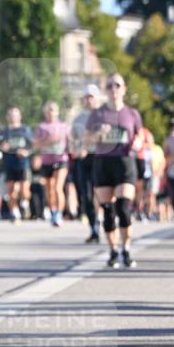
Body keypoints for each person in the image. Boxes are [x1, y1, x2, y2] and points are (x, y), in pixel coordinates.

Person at [85, 74, 143, 268]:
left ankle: (126, 249)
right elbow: (86, 141)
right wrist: (98, 134)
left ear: (124, 89)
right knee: (108, 211)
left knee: (123, 208)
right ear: (105, 90)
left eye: (117, 85)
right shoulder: (97, 114)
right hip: (103, 162)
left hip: (125, 161)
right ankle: (112, 250)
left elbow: (141, 136)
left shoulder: (132, 113)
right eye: (109, 86)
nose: (113, 89)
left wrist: (137, 143)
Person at [69, 85, 101, 242]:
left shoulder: (104, 115)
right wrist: (75, 149)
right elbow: (73, 140)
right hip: (83, 160)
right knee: (86, 196)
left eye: (92, 97)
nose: (89, 100)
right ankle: (94, 229)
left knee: (101, 194)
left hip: (100, 158)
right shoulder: (78, 119)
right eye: (86, 97)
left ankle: (104, 222)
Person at [33, 101, 70, 227]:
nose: (51, 112)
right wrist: (48, 140)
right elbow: (35, 144)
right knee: (49, 190)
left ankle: (59, 213)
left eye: (53, 110)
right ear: (45, 112)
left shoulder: (64, 126)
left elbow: (70, 141)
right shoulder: (41, 127)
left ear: (57, 112)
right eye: (49, 110)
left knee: (58, 187)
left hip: (61, 159)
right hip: (47, 160)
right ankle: (53, 211)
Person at [0, 106, 33, 223]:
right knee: (10, 191)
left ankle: (25, 203)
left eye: (15, 114)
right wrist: (2, 147)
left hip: (22, 163)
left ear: (20, 116)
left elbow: (31, 145)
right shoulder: (5, 131)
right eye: (11, 114)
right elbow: (0, 145)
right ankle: (15, 213)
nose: (13, 117)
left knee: (24, 190)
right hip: (9, 163)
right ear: (8, 117)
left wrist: (26, 152)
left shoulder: (25, 130)